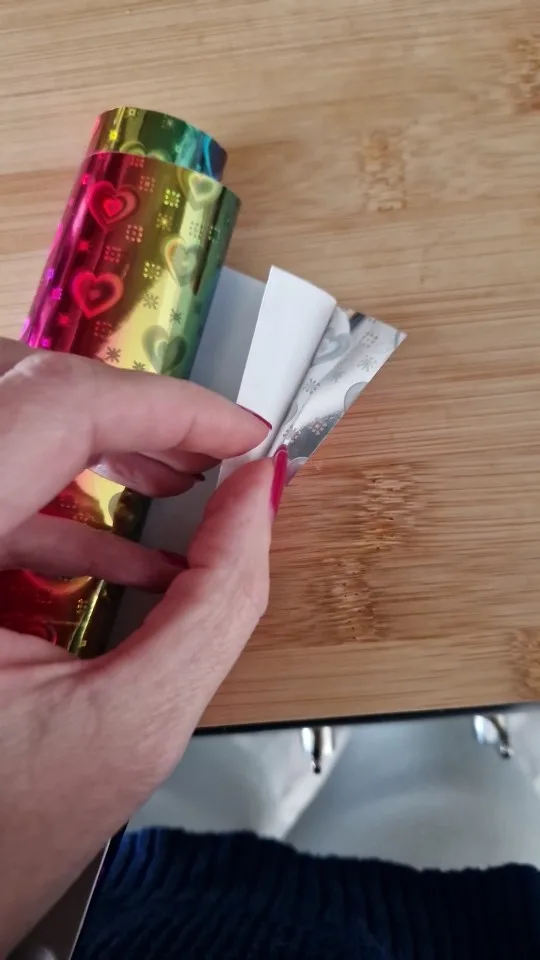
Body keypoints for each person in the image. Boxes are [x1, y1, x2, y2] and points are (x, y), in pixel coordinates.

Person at [2, 337, 540, 960]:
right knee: (447, 786)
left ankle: (314, 750)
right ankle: (450, 743)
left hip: (108, 900)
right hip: (428, 933)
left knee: (210, 784)